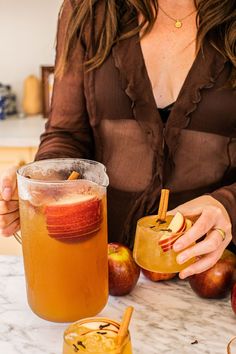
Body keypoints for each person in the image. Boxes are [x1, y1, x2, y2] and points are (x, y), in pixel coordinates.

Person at [0, 0, 235, 279]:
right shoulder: (88, 9)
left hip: (215, 270)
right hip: (102, 268)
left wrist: (228, 205)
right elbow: (67, 136)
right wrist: (41, 186)